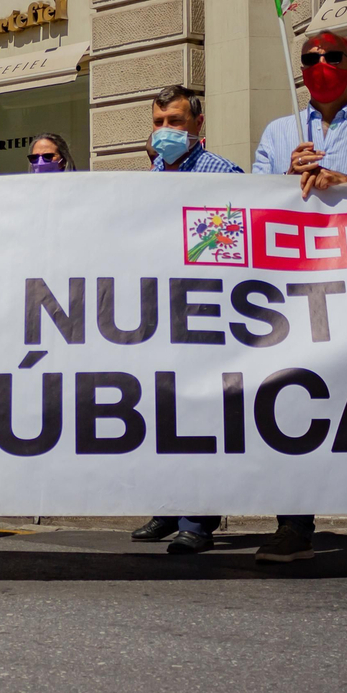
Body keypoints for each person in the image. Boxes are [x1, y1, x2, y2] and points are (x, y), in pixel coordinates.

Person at [250, 31, 347, 566]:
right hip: (295, 288)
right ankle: (294, 525)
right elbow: (255, 203)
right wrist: (282, 176)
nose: (320, 65)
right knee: (295, 402)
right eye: (310, 58)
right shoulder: (278, 133)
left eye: (331, 56)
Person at [130, 86, 242, 553]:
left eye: (174, 121)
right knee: (165, 413)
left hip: (203, 310)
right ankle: (168, 508)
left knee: (201, 415)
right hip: (161, 311)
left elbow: (230, 242)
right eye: (158, 122)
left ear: (197, 124)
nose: (165, 132)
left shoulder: (221, 174)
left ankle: (197, 521)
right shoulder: (154, 173)